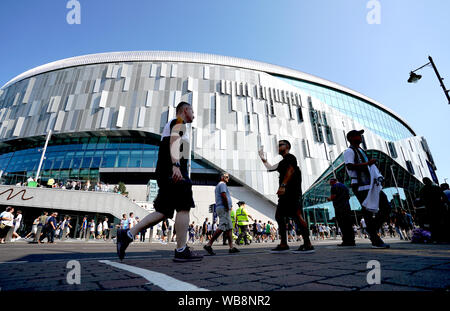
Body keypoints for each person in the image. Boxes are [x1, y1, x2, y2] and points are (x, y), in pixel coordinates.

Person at [116, 102, 203, 262]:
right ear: (185, 110)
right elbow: (174, 140)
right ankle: (181, 250)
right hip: (174, 172)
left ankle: (128, 234)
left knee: (163, 211)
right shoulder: (178, 122)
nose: (194, 115)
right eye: (192, 110)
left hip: (165, 172)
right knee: (184, 207)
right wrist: (176, 165)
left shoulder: (173, 124)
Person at [259, 140, 314, 253]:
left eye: (280, 145)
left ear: (287, 146)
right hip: (284, 195)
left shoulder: (290, 157)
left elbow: (291, 170)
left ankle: (307, 244)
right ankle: (283, 244)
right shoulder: (282, 162)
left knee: (297, 216)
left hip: (292, 193)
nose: (278, 147)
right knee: (279, 216)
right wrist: (262, 157)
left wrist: (283, 185)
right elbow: (270, 167)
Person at [344, 129, 389, 249]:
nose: (360, 137)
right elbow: (349, 166)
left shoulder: (361, 150)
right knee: (368, 211)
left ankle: (371, 229)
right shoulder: (349, 151)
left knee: (386, 206)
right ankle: (375, 239)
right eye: (358, 135)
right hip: (360, 184)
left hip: (370, 183)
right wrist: (368, 164)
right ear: (351, 138)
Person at [204, 172, 240, 255]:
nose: (228, 178)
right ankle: (208, 245)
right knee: (222, 227)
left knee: (229, 228)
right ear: (222, 177)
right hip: (224, 208)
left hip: (223, 208)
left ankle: (231, 247)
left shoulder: (219, 185)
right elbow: (223, 195)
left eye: (228, 177)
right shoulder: (222, 184)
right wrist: (227, 206)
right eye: (226, 177)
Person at [327, 178, 355, 246]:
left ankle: (346, 241)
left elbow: (333, 196)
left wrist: (329, 198)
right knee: (348, 224)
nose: (330, 185)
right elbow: (348, 197)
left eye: (330, 183)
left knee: (342, 224)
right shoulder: (344, 186)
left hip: (339, 208)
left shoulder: (334, 186)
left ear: (333, 181)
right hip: (347, 207)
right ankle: (352, 241)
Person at [419, 178, 448, 242]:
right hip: (439, 206)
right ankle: (443, 236)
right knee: (441, 222)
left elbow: (421, 199)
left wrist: (426, 204)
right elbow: (444, 196)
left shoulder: (423, 190)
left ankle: (435, 237)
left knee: (433, 223)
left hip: (430, 208)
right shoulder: (436, 188)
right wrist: (443, 203)